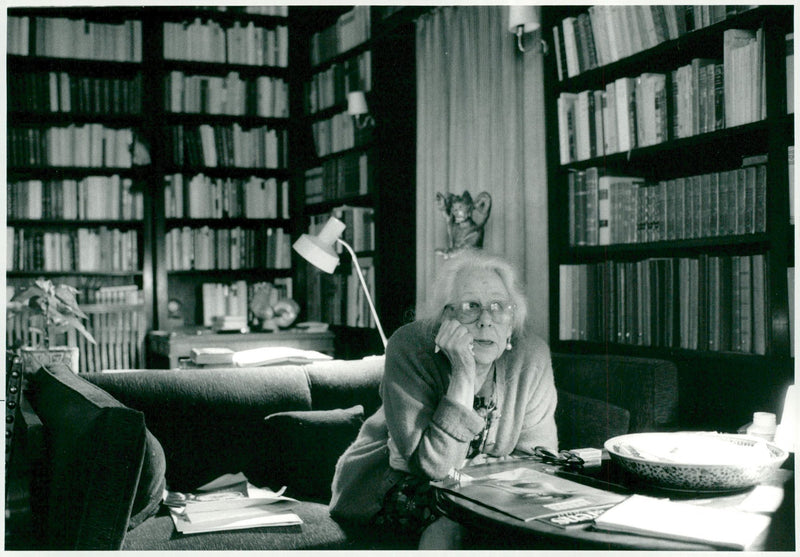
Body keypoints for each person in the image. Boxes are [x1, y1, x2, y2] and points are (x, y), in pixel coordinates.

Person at [329, 249, 558, 549]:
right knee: (457, 519)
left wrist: (478, 476)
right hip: (389, 481)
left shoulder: (532, 355)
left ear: (513, 319)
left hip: (485, 487)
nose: (486, 320)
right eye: (470, 306)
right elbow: (432, 467)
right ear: (445, 316)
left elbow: (539, 460)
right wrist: (464, 371)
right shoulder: (409, 347)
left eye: (499, 307)